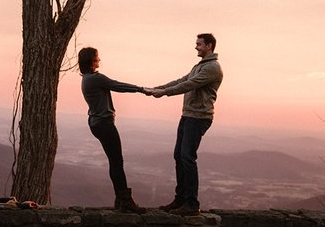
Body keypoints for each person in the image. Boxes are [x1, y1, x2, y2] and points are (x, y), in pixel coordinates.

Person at [149, 33, 223, 215]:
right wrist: (158, 88)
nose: (196, 47)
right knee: (179, 156)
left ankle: (191, 204)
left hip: (199, 117)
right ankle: (180, 199)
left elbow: (189, 85)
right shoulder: (200, 66)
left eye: (199, 44)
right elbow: (182, 80)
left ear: (209, 46)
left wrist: (165, 92)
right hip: (189, 115)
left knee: (187, 157)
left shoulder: (212, 67)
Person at [78, 46, 147, 213]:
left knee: (114, 161)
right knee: (117, 162)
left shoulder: (87, 78)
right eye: (97, 58)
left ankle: (120, 200)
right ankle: (125, 201)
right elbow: (118, 85)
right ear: (91, 61)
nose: (99, 60)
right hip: (104, 124)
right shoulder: (95, 78)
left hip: (97, 123)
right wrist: (142, 89)